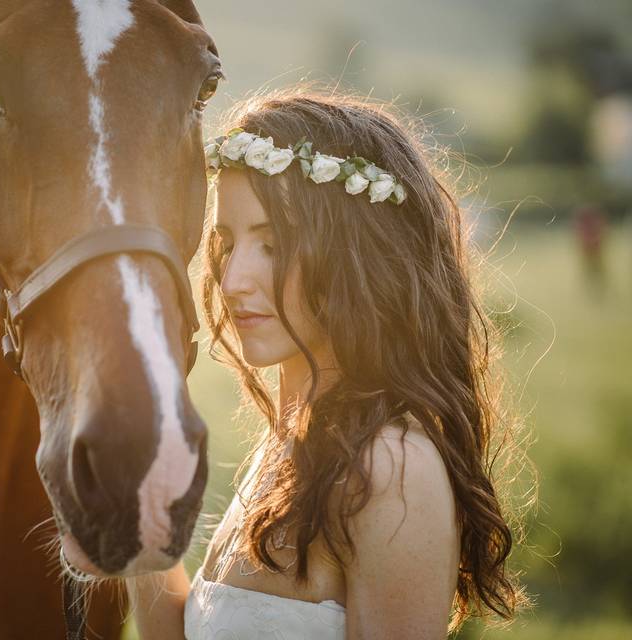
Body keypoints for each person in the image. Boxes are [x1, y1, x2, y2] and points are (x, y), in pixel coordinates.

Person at [126, 86, 529, 639]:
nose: (233, 279)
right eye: (227, 242)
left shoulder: (389, 468)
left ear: (354, 257)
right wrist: (141, 504)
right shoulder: (291, 444)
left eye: (272, 245)